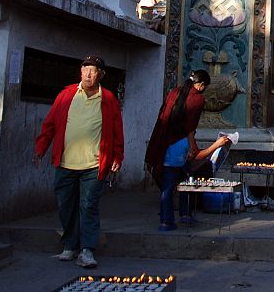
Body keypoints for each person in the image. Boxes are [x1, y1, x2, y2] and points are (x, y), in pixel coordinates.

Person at [33, 56, 125, 269]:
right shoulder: (66, 95)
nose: (88, 75)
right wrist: (40, 149)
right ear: (80, 72)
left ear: (100, 74)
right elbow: (49, 125)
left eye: (93, 71)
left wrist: (117, 157)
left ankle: (87, 249)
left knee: (88, 205)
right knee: (65, 204)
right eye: (85, 70)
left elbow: (117, 132)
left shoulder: (109, 99)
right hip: (66, 162)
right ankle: (70, 244)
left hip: (94, 164)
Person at [144, 69, 231, 231]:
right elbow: (192, 133)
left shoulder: (174, 92)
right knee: (185, 180)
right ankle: (180, 216)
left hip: (164, 142)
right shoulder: (197, 100)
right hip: (179, 145)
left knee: (173, 184)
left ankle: (169, 220)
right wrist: (217, 144)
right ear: (202, 85)